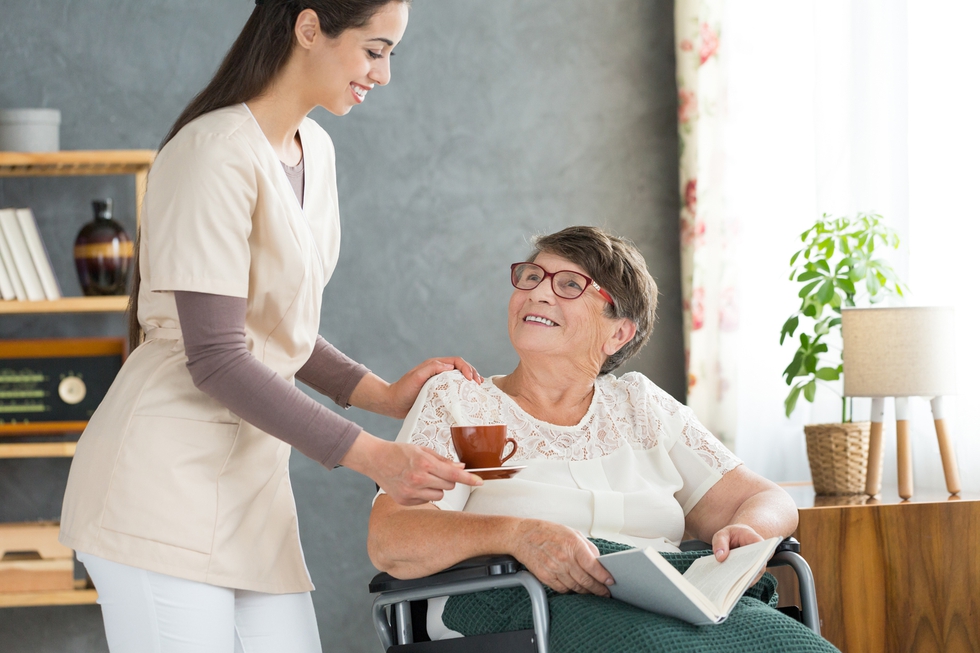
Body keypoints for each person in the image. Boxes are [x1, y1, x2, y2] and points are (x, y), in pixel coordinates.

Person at [58, 1, 482, 651]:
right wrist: (374, 455)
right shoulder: (212, 151)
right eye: (374, 50)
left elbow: (276, 322)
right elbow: (218, 356)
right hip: (161, 489)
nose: (384, 74)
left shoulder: (318, 150)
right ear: (309, 28)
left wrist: (383, 394)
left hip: (253, 498)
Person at [368, 226, 838, 651]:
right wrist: (517, 535)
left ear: (618, 333)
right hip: (521, 608)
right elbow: (392, 537)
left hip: (669, 605)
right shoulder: (467, 406)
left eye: (569, 284)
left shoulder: (641, 406)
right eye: (531, 277)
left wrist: (751, 531)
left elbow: (767, 499)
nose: (538, 293)